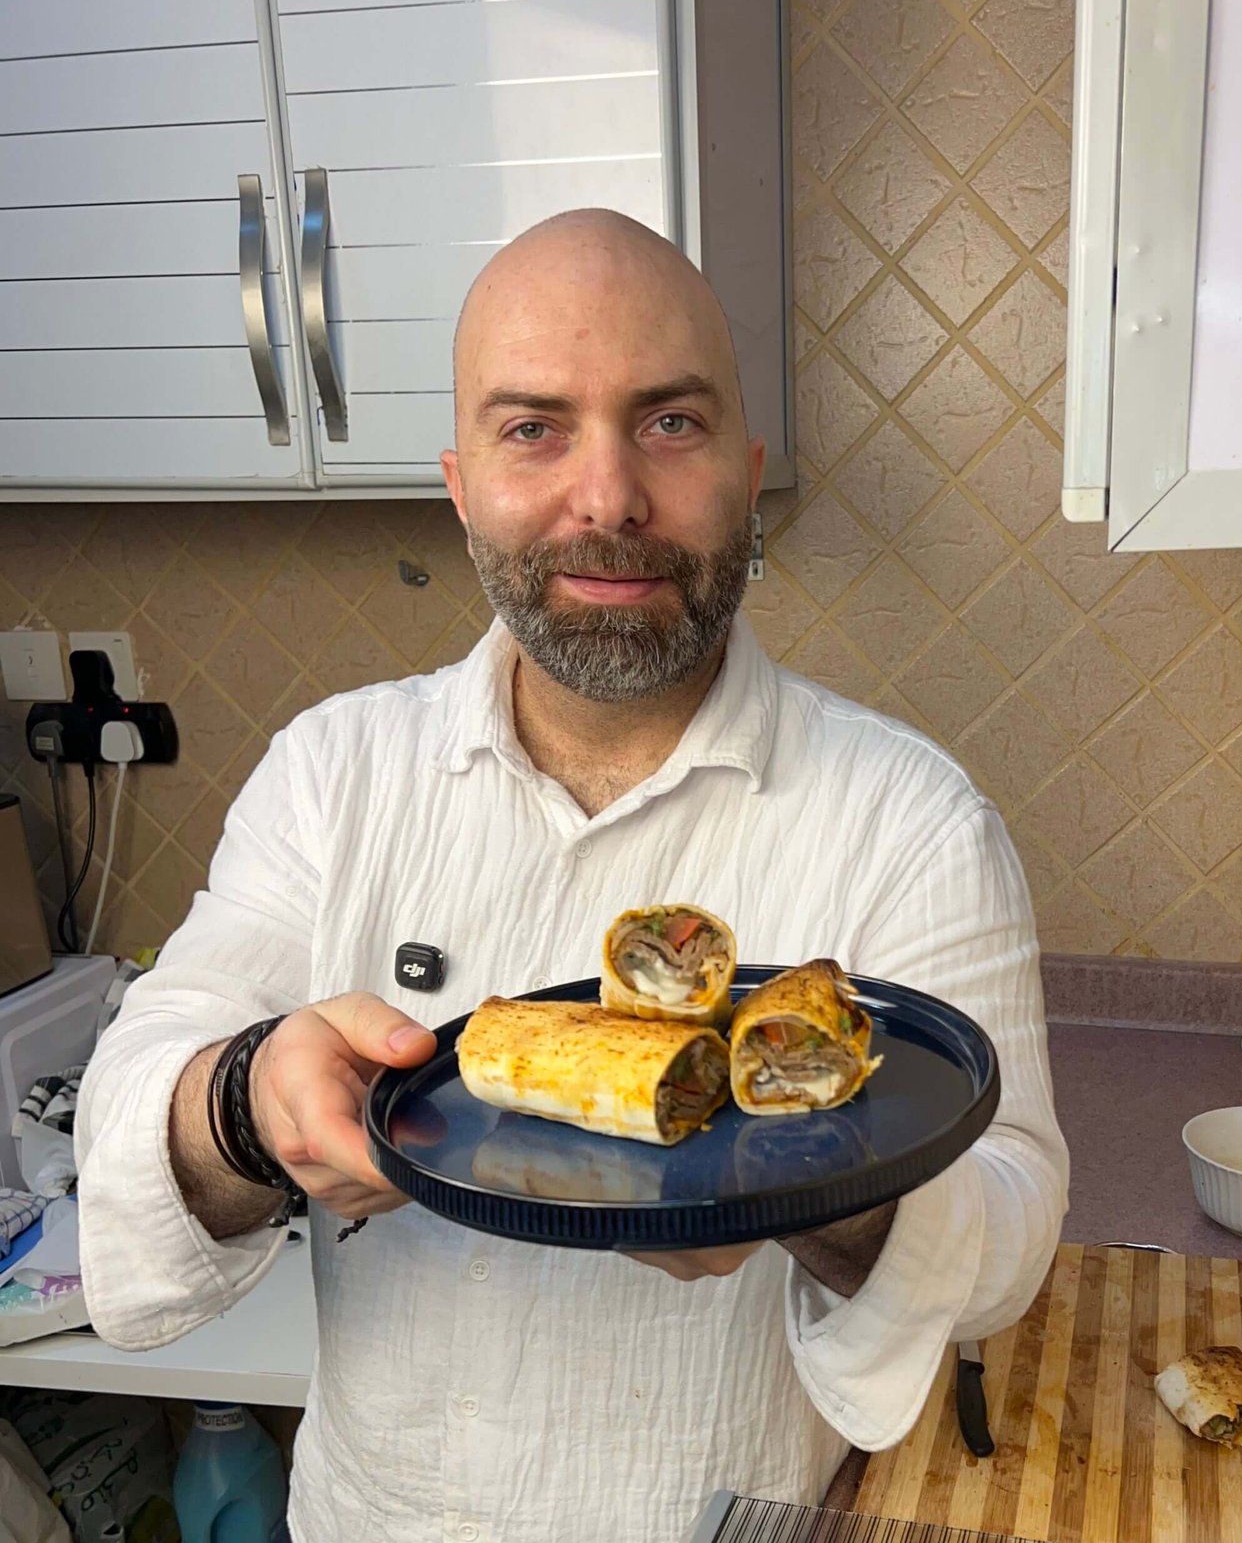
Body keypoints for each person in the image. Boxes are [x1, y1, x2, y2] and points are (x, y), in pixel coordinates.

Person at [76, 209, 1069, 1543]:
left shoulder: (910, 816)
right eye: (534, 427)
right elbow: (135, 1101)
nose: (607, 500)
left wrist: (813, 1185)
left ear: (748, 468)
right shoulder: (333, 775)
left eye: (669, 422)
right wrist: (258, 1103)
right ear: (459, 482)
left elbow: (1011, 1221)